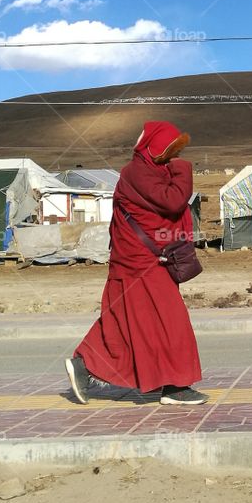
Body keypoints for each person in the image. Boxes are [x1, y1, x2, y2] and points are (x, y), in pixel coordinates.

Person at [65, 121, 207, 406]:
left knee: (126, 323)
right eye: (168, 150)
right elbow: (173, 202)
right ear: (153, 147)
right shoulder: (139, 172)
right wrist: (181, 168)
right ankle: (174, 386)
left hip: (138, 261)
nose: (171, 157)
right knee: (171, 322)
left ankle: (84, 365)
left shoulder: (147, 171)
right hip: (143, 264)